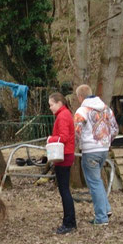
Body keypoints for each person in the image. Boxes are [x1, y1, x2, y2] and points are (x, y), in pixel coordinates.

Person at [74, 84, 118, 225]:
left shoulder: (82, 111)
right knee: (97, 181)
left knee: (93, 183)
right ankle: (106, 209)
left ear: (80, 97)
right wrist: (106, 141)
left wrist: (74, 146)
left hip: (90, 151)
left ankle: (101, 218)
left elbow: (77, 131)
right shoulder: (106, 109)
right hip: (103, 149)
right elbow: (115, 129)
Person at [47, 92, 76, 234]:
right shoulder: (64, 114)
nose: (50, 108)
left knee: (64, 191)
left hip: (64, 156)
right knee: (64, 190)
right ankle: (69, 221)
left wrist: (50, 139)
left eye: (51, 105)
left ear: (59, 103)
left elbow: (64, 137)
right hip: (65, 155)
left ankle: (69, 222)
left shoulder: (63, 116)